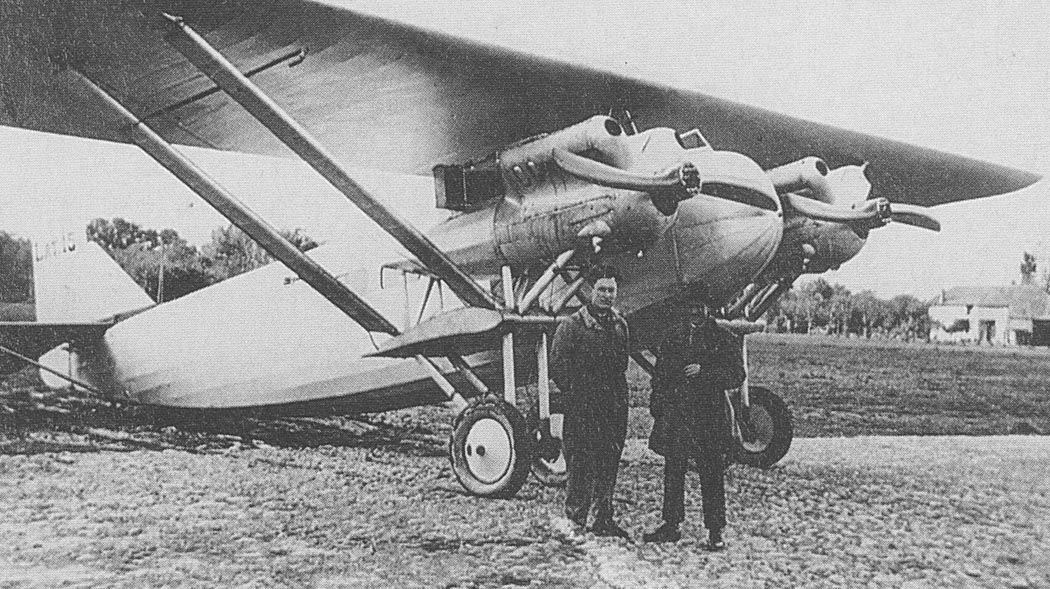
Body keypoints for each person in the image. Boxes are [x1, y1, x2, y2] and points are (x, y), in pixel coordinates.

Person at [644, 300, 745, 550]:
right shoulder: (674, 336)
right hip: (677, 415)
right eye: (691, 307)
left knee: (711, 473)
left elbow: (737, 374)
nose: (695, 312)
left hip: (708, 418)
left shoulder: (722, 337)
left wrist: (705, 372)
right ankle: (671, 524)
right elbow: (660, 375)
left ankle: (715, 530)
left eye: (699, 307)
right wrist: (658, 406)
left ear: (707, 309)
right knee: (673, 471)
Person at [550, 265, 631, 540]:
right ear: (590, 291)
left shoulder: (620, 325)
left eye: (612, 290)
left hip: (613, 406)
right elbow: (558, 366)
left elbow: (622, 364)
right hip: (583, 407)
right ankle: (575, 519)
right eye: (602, 289)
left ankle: (602, 518)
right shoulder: (572, 325)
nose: (607, 295)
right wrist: (578, 393)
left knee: (609, 461)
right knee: (581, 462)